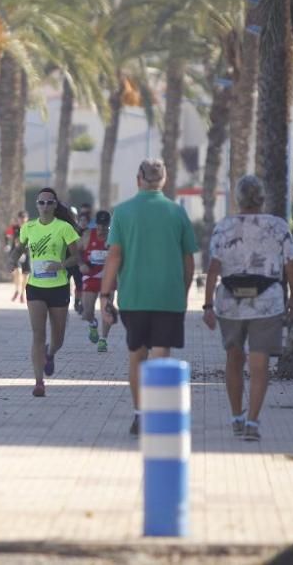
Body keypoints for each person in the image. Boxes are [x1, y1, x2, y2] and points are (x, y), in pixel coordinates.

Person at [100, 159, 197, 436]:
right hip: (169, 296)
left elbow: (114, 257)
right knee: (161, 355)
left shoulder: (123, 212)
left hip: (134, 297)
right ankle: (158, 414)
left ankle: (140, 414)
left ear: (138, 178)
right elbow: (188, 260)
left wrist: (105, 295)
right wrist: (184, 291)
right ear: (164, 180)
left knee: (136, 355)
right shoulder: (176, 212)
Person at [203, 175, 293, 442]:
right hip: (267, 302)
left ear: (238, 199)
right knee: (260, 363)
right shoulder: (278, 227)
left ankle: (236, 417)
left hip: (230, 303)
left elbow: (214, 267)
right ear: (262, 198)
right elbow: (292, 264)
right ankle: (253, 422)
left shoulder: (224, 228)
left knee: (234, 358)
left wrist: (208, 305)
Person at [10, 187, 81, 397]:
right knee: (38, 333)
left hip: (58, 287)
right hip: (35, 287)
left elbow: (77, 257)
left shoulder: (65, 228)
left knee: (57, 338)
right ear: (37, 205)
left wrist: (60, 265)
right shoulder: (28, 227)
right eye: (41, 202)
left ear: (56, 205)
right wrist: (12, 259)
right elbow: (20, 248)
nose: (45, 206)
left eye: (50, 202)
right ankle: (39, 382)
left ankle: (50, 353)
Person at [78, 210, 113, 352]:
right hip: (91, 275)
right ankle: (93, 324)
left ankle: (103, 340)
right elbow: (77, 251)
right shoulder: (87, 236)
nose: (102, 231)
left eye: (105, 227)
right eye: (100, 227)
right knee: (86, 312)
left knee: (107, 310)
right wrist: (81, 264)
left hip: (108, 277)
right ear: (96, 225)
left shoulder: (114, 237)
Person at [4, 211, 30, 303]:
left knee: (25, 275)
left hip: (27, 253)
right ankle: (17, 290)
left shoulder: (30, 228)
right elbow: (7, 234)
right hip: (16, 253)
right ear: (18, 219)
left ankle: (23, 293)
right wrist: (7, 244)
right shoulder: (14, 228)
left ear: (27, 219)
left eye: (24, 218)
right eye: (20, 219)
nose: (22, 220)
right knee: (18, 272)